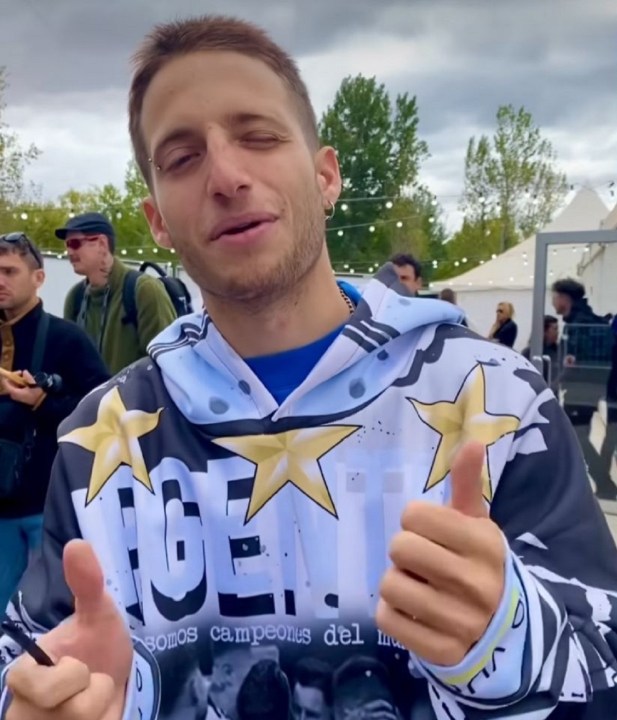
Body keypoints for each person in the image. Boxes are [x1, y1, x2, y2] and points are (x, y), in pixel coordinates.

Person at [2, 15, 617, 720]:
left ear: (326, 176)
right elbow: (29, 653)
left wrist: (509, 640)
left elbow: (602, 654)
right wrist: (52, 698)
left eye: (259, 136)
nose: (227, 177)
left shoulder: (495, 399)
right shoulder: (103, 438)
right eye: (183, 157)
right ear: (158, 220)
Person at [0, 233, 109, 611]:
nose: (0, 281)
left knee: (52, 615)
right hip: (2, 512)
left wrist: (43, 401)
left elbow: (103, 411)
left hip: (48, 505)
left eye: (10, 271)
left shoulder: (67, 339)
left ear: (39, 278)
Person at [59, 212, 177, 374]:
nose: (69, 252)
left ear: (102, 243)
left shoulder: (144, 290)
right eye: (67, 245)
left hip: (137, 391)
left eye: (75, 243)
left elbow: (166, 362)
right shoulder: (75, 298)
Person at [521, 314, 559, 390]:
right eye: (555, 329)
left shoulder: (558, 351)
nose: (557, 332)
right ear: (544, 331)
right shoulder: (530, 353)